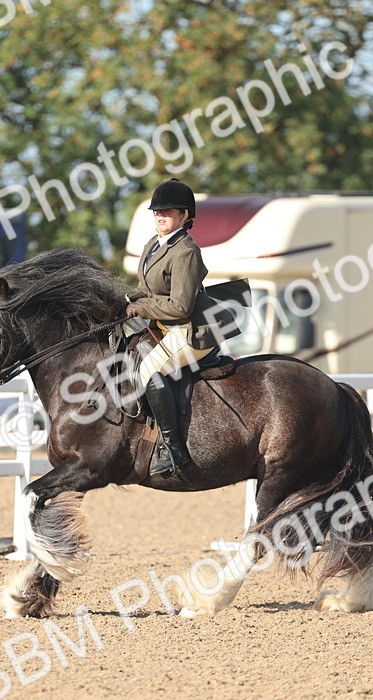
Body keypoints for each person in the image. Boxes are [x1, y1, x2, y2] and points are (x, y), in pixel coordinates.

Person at [124, 178, 237, 476]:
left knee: (149, 370)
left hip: (192, 331)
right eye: (157, 211)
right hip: (166, 326)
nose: (160, 216)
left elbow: (180, 306)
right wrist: (123, 297)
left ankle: (174, 449)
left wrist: (141, 307)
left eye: (168, 211)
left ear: (185, 215)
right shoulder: (154, 244)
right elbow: (147, 287)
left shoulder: (186, 250)